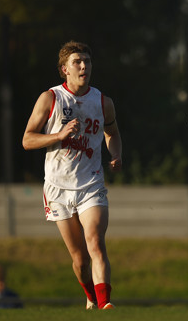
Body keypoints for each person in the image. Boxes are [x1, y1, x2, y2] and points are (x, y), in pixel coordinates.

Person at [22, 41, 122, 310]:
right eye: (77, 61)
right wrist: (59, 135)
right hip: (58, 188)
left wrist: (116, 154)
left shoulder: (103, 101)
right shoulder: (50, 98)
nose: (83, 66)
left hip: (91, 182)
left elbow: (112, 133)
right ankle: (91, 297)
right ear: (64, 69)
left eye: (87, 61)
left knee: (95, 243)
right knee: (80, 260)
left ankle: (105, 305)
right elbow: (27, 140)